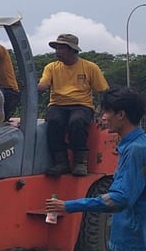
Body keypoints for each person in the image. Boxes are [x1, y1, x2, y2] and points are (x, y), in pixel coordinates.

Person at [45, 87, 146, 251]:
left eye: (107, 112)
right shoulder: (131, 146)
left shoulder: (137, 150)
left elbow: (120, 199)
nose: (103, 117)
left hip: (134, 246)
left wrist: (69, 206)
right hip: (120, 245)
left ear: (121, 115)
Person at [37, 33, 109, 176]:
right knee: (54, 122)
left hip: (81, 105)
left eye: (61, 48)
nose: (57, 52)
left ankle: (80, 162)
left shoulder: (90, 67)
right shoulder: (51, 67)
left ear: (72, 50)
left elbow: (104, 91)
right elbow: (44, 84)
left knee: (77, 122)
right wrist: (36, 87)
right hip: (57, 104)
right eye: (56, 48)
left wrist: (103, 113)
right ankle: (61, 162)